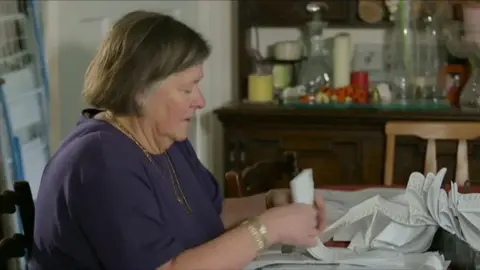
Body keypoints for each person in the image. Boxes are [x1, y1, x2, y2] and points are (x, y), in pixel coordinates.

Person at [32, 10, 326, 270]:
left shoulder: (163, 136)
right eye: (187, 89)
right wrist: (266, 230)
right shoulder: (101, 162)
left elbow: (212, 214)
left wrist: (271, 203)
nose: (200, 101)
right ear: (141, 90)